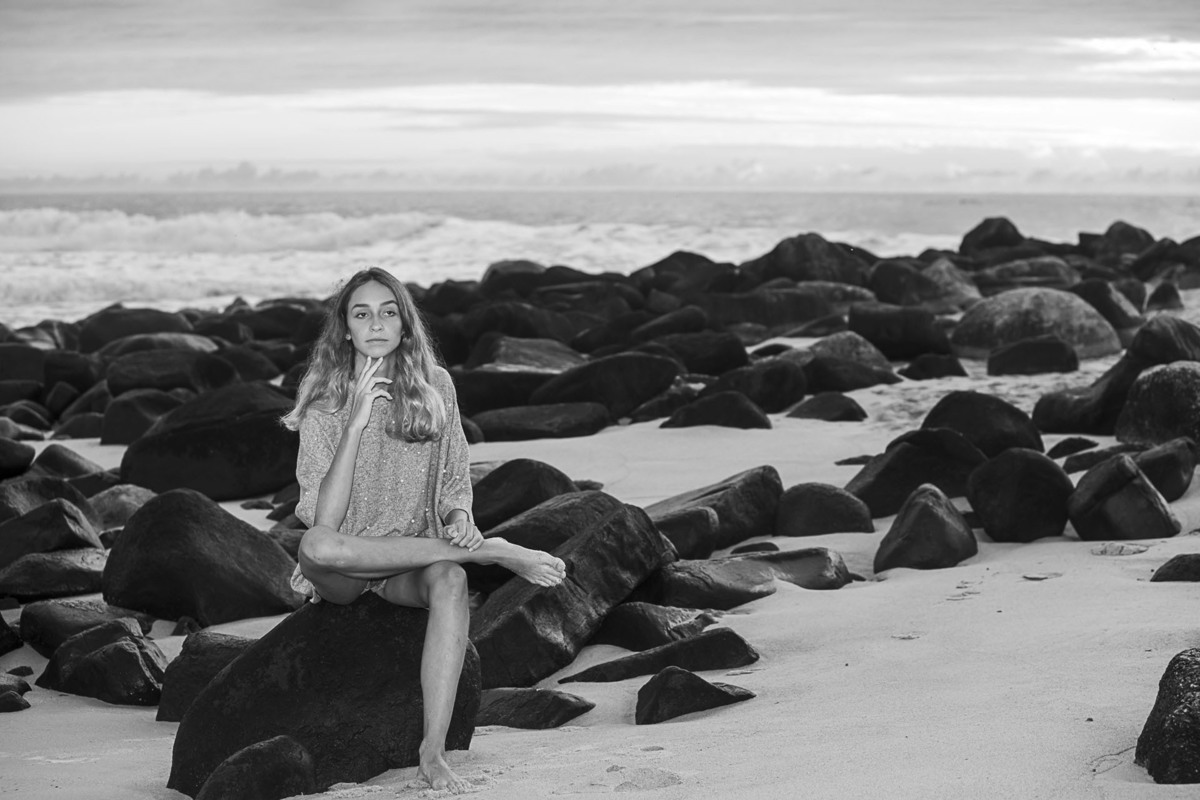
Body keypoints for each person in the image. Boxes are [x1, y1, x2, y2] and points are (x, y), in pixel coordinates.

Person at [281, 267, 567, 794]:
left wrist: (460, 519)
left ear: (404, 323)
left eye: (388, 312)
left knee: (451, 582)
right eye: (361, 313)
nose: (376, 324)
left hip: (410, 561)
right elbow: (324, 521)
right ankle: (490, 552)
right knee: (315, 544)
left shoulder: (435, 384)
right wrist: (356, 422)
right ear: (344, 327)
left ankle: (432, 752)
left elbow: (455, 477)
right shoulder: (323, 392)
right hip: (347, 563)